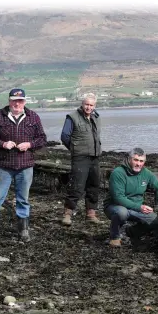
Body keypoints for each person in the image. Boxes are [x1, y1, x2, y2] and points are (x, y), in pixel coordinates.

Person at [0, 88, 47, 242]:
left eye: (20, 100)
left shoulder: (33, 117)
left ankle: (23, 231)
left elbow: (42, 139)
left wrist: (29, 144)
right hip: (3, 166)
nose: (17, 103)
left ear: (25, 102)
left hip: (25, 166)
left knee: (23, 199)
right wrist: (2, 144)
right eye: (14, 100)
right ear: (9, 101)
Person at [103, 148, 158, 247]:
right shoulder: (118, 173)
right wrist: (139, 207)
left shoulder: (146, 173)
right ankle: (114, 237)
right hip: (115, 206)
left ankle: (130, 232)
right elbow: (118, 198)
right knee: (122, 212)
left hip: (136, 207)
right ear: (129, 159)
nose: (138, 164)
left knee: (156, 221)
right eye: (135, 160)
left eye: (141, 161)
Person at [60, 93, 102, 225]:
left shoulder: (96, 117)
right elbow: (65, 136)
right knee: (76, 187)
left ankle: (91, 213)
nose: (88, 107)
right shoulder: (72, 117)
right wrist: (75, 149)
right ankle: (67, 214)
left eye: (91, 105)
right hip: (80, 157)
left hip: (95, 157)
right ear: (82, 104)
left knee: (94, 186)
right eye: (86, 104)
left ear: (94, 106)